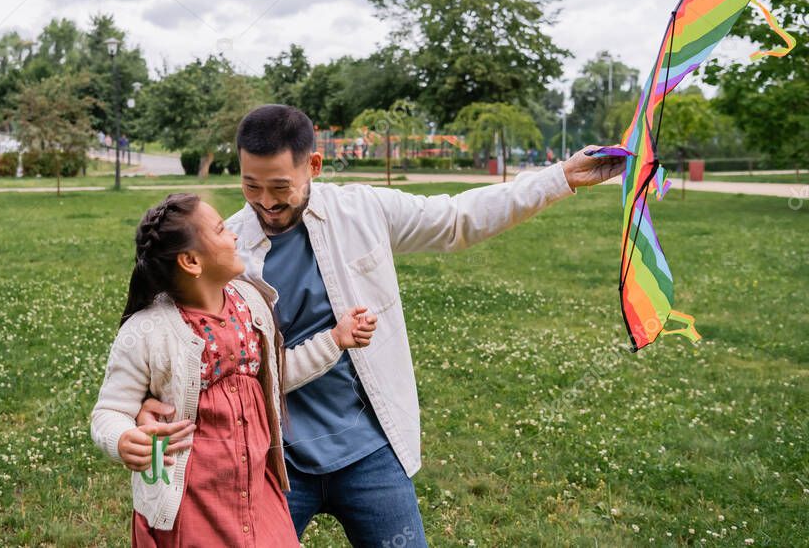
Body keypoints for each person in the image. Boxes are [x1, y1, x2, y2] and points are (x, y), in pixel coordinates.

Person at [134, 105, 626, 546]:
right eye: (251, 185)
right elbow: (168, 328)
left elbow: (457, 220)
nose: (266, 202)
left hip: (370, 449)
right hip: (273, 459)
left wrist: (559, 177)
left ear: (314, 166)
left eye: (281, 187)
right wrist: (146, 402)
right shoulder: (227, 247)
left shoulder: (362, 209)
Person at [90, 193, 377, 546]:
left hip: (258, 494)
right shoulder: (147, 331)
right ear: (192, 261)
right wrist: (122, 439)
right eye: (222, 229)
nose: (235, 236)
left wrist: (336, 338)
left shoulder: (250, 303)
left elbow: (274, 377)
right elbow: (110, 410)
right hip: (192, 507)